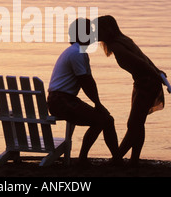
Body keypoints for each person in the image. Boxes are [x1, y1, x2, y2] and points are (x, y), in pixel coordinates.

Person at [47, 18, 121, 165]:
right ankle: (84, 159)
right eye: (90, 32)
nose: (93, 35)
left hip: (61, 100)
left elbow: (89, 81)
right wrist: (98, 104)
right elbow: (86, 82)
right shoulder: (77, 53)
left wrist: (97, 104)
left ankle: (114, 158)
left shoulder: (76, 52)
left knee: (106, 120)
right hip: (62, 101)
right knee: (103, 120)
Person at [95, 15, 165, 167]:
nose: (95, 33)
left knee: (133, 124)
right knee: (138, 124)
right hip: (142, 83)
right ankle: (133, 161)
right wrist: (157, 70)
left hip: (147, 84)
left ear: (106, 30)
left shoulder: (117, 45)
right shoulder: (124, 40)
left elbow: (141, 61)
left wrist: (156, 74)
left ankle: (117, 159)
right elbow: (145, 58)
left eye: (98, 29)